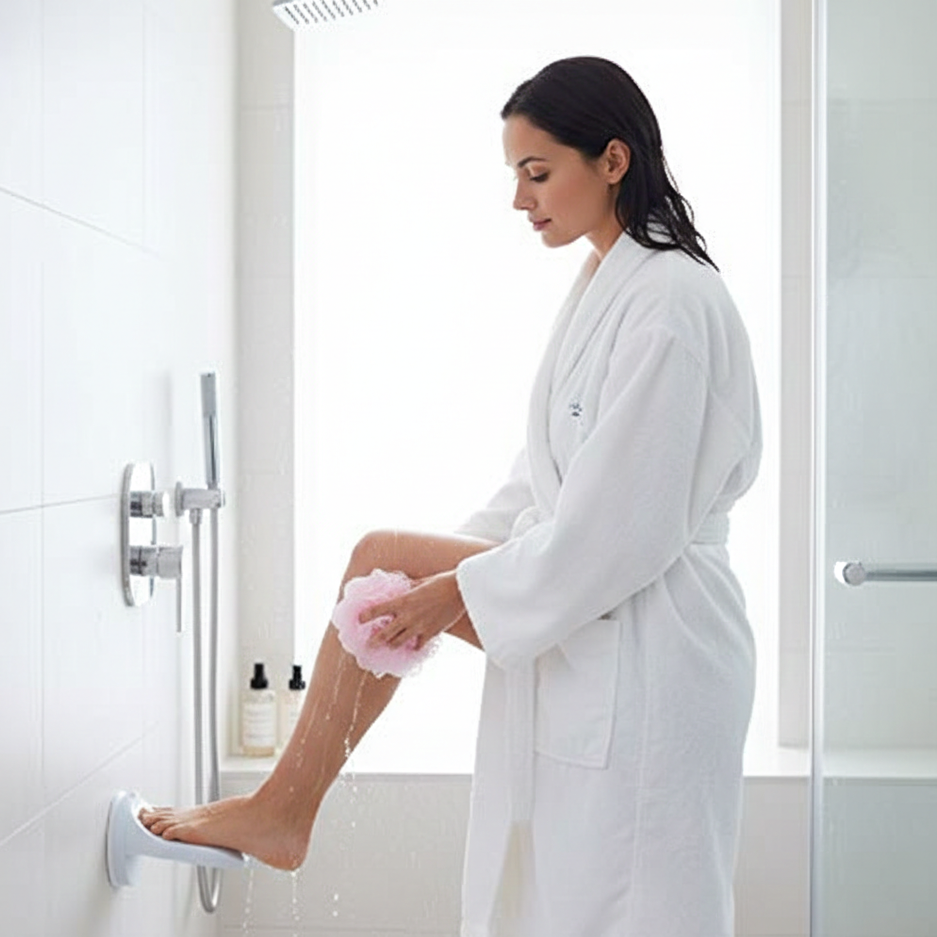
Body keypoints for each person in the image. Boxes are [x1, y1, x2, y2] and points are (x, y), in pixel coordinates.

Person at [141, 56, 761, 937]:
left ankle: (286, 807)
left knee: (641, 907)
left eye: (537, 173)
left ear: (613, 160)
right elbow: (540, 483)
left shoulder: (670, 302)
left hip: (656, 648)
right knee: (386, 564)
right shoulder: (612, 286)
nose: (521, 200)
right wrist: (451, 572)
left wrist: (454, 590)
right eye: (517, 176)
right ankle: (286, 804)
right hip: (605, 621)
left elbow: (624, 528)